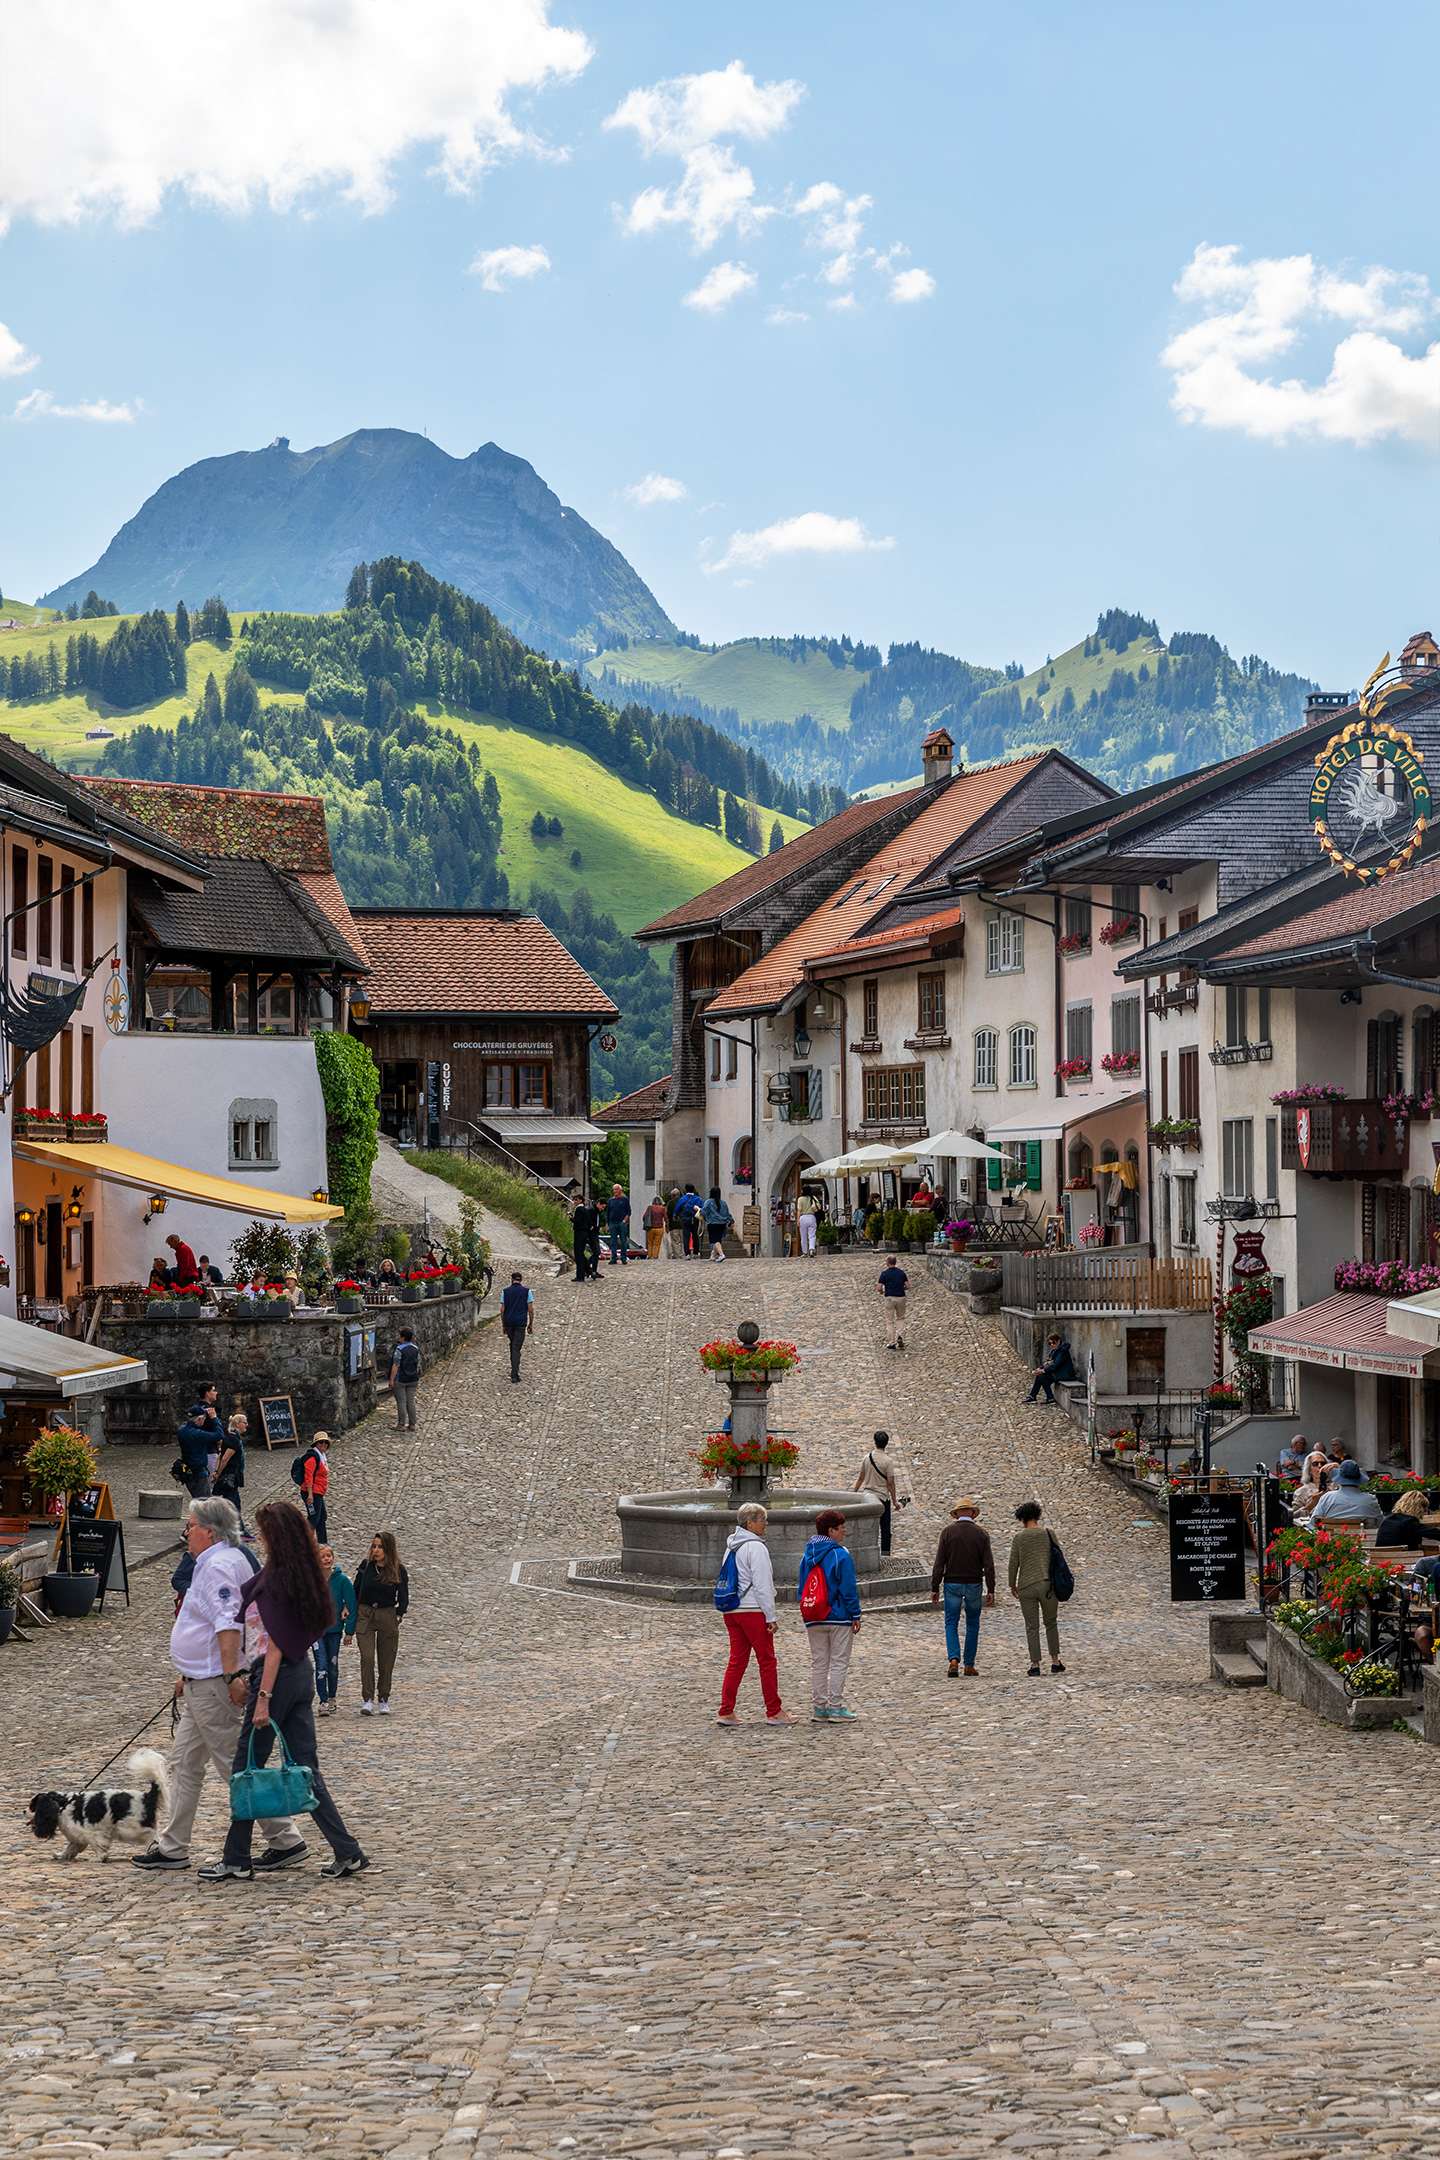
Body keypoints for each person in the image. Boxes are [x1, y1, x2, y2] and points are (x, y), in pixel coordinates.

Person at [201, 1499, 369, 1881]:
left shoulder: (278, 1579)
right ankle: (347, 1851)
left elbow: (274, 1642)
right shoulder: (301, 1574)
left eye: (262, 1531)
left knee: (246, 1766)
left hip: (274, 1678)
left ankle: (236, 1859)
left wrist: (262, 1697)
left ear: (275, 1535)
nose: (258, 1537)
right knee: (306, 1767)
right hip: (300, 1674)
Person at [133, 1497, 304, 1873]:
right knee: (185, 1764)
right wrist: (188, 1670)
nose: (186, 1532)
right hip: (201, 1680)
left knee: (235, 1766)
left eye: (191, 1525)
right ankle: (173, 1847)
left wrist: (228, 1676)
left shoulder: (219, 1565)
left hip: (214, 1684)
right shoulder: (221, 1559)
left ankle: (285, 1839)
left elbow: (229, 1623)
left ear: (209, 1531)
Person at [717, 1503, 796, 1726]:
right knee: (767, 1660)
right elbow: (763, 1584)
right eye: (763, 1519)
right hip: (752, 1611)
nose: (766, 1523)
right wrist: (771, 1616)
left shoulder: (732, 1545)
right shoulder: (756, 1547)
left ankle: (726, 1710)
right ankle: (774, 1710)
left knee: (737, 1661)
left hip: (732, 1610)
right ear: (750, 1523)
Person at [798, 1509, 862, 1720]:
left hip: (814, 1615)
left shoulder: (806, 1556)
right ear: (831, 1530)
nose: (844, 1530)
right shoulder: (840, 1553)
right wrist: (855, 1613)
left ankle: (819, 1709)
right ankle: (836, 1707)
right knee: (839, 1661)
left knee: (818, 1662)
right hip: (838, 1615)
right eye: (841, 1526)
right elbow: (848, 1587)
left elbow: (802, 1588)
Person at [929, 1498, 996, 1677]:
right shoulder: (981, 1534)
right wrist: (991, 1589)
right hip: (974, 1583)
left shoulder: (947, 1532)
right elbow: (988, 1565)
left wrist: (935, 1587)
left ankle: (953, 1659)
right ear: (972, 1513)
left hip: (952, 1583)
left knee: (951, 1622)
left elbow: (939, 1563)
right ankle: (969, 1664)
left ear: (957, 1514)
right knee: (972, 1623)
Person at [352, 1530, 409, 1715]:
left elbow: (403, 1597)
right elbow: (355, 1589)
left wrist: (398, 1616)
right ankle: (367, 1699)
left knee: (386, 1660)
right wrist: (349, 1610)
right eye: (374, 1546)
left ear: (388, 1549)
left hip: (387, 1615)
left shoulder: (398, 1570)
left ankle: (383, 1698)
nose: (376, 1550)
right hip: (366, 1615)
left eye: (380, 1547)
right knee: (367, 1658)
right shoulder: (366, 1566)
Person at [1008, 1500, 1065, 1676]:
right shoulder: (1048, 1533)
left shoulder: (1019, 1538)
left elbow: (1013, 1563)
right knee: (1051, 1622)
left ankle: (1035, 1665)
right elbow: (1059, 1558)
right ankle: (1055, 1662)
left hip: (1026, 1586)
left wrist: (1012, 1584)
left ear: (1023, 1518)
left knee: (1031, 1626)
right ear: (1037, 1516)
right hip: (1048, 1585)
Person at [313, 1545, 357, 1716]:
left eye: (328, 1556)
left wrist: (349, 1632)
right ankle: (323, 1700)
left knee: (332, 1665)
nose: (326, 1559)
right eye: (322, 1556)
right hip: (316, 1631)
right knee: (320, 1664)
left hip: (335, 1630)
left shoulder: (342, 1581)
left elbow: (352, 1606)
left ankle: (332, 1697)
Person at [853, 1431, 899, 1556]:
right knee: (885, 1530)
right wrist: (895, 1500)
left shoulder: (867, 1458)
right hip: (882, 1498)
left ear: (874, 1442)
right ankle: (885, 1554)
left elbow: (860, 1478)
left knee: (867, 1529)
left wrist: (854, 1494)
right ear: (887, 1443)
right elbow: (890, 1483)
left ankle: (865, 1552)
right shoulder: (887, 1461)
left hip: (868, 1498)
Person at [177, 1382, 224, 1499]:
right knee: (206, 1497)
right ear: (207, 1394)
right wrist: (214, 1419)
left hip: (189, 1467)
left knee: (199, 1497)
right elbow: (219, 1434)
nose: (216, 1392)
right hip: (201, 1464)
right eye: (214, 1390)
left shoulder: (182, 1430)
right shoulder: (198, 1432)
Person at [1309, 1459, 1384, 1527]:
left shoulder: (1327, 1498)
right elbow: (1381, 1524)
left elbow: (1313, 1523)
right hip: (1365, 1541)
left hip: (1334, 1541)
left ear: (1340, 1478)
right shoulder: (1370, 1500)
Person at [214, 1413, 251, 1537]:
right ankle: (235, 1531)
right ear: (237, 1424)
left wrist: (216, 1471)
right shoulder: (233, 1439)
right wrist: (218, 1473)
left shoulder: (231, 1438)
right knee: (232, 1504)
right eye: (244, 1422)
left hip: (231, 1476)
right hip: (230, 1476)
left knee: (233, 1503)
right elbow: (224, 1458)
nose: (246, 1425)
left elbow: (220, 1455)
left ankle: (237, 1530)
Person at [501, 1271, 534, 1382]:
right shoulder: (526, 1291)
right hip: (520, 1322)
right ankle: (514, 1374)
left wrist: (503, 1324)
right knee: (516, 1346)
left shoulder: (505, 1291)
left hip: (509, 1322)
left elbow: (502, 1309)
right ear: (521, 1280)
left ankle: (514, 1367)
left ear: (511, 1279)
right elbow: (530, 1309)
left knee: (513, 1344)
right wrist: (531, 1323)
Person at [1027, 1332, 1076, 1405]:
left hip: (1065, 1374)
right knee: (1039, 1376)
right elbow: (1048, 1362)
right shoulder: (1054, 1351)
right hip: (1057, 1372)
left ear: (1058, 1341)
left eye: (1053, 1343)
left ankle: (1050, 1398)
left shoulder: (1063, 1351)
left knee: (1042, 1376)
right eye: (1050, 1344)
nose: (1052, 1345)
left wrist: (1043, 1371)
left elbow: (1056, 1365)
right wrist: (1040, 1368)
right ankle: (1033, 1396)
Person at [300, 1432, 330, 1546]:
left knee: (322, 1516)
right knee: (314, 1518)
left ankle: (322, 1542)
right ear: (316, 1444)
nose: (324, 1444)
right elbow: (308, 1476)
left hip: (318, 1492)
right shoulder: (312, 1457)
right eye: (321, 1442)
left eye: (325, 1442)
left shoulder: (321, 1456)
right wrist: (310, 1494)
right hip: (312, 1492)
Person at [389, 1327, 420, 1428]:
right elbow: (418, 1364)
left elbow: (396, 1365)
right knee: (410, 1401)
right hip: (413, 1378)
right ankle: (412, 1424)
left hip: (401, 1379)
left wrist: (391, 1380)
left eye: (399, 1335)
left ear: (403, 1337)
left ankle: (401, 1424)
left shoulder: (399, 1350)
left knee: (401, 1402)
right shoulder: (415, 1348)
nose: (398, 1337)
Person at [877, 1251, 909, 1350]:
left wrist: (882, 1292)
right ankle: (900, 1335)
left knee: (890, 1321)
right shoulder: (901, 1273)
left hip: (890, 1297)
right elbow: (907, 1286)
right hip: (901, 1297)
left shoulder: (884, 1273)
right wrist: (901, 1288)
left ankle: (892, 1342)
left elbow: (879, 1287)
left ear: (887, 1262)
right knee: (900, 1318)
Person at [571, 1195, 599, 1283]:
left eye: (576, 1200)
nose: (574, 1202)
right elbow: (590, 1223)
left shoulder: (579, 1209)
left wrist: (571, 1218)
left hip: (579, 1233)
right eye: (574, 1200)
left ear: (580, 1201)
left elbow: (578, 1222)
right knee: (581, 1254)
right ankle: (590, 1271)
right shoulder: (586, 1210)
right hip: (585, 1233)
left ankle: (580, 1276)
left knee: (578, 1255)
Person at [702, 1186, 733, 1262]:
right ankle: (713, 1256)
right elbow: (727, 1213)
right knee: (717, 1239)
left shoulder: (709, 1202)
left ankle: (721, 1254)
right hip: (722, 1223)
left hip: (712, 1223)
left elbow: (704, 1211)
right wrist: (731, 1221)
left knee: (714, 1240)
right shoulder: (723, 1203)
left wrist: (698, 1210)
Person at [674, 1184, 702, 1260]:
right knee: (695, 1236)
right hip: (695, 1219)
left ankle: (687, 1253)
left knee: (686, 1237)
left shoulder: (682, 1199)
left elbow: (677, 1208)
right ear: (693, 1190)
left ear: (685, 1190)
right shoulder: (698, 1199)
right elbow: (702, 1207)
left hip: (686, 1219)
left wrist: (675, 1215)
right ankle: (696, 1253)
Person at [606, 1183, 631, 1266]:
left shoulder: (624, 1199)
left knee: (623, 1240)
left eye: (617, 1189)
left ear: (620, 1190)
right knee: (613, 1241)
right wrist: (607, 1223)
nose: (615, 1191)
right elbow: (608, 1213)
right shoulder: (610, 1200)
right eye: (614, 1189)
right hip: (612, 1222)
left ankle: (623, 1258)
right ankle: (614, 1258)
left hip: (621, 1222)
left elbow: (629, 1211)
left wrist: (624, 1220)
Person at [642, 1193, 669, 1261]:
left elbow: (644, 1217)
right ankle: (656, 1256)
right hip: (659, 1227)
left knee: (650, 1243)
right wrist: (667, 1227)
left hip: (650, 1227)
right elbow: (666, 1219)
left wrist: (646, 1223)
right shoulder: (662, 1208)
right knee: (657, 1243)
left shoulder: (650, 1207)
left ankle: (650, 1255)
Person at [798, 1193, 818, 1257]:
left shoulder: (800, 1199)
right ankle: (811, 1250)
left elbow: (799, 1210)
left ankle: (805, 1252)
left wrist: (797, 1220)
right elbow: (819, 1207)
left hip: (803, 1217)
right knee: (812, 1235)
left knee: (803, 1236)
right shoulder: (813, 1198)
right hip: (811, 1217)